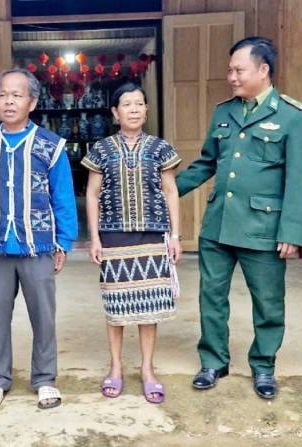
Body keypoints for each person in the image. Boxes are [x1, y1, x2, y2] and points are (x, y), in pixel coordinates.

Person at [176, 36, 302, 399]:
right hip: (219, 223)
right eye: (230, 70)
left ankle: (264, 365)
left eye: (239, 70)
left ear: (263, 70)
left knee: (268, 301)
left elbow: (299, 179)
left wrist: (292, 231)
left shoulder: (292, 116)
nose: (232, 77)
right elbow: (207, 162)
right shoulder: (224, 111)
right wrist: (167, 191)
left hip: (264, 227)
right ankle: (213, 361)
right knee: (212, 296)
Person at [0, 67, 77, 410]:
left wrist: (64, 241)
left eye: (17, 95)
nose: (9, 101)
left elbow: (63, 197)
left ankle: (44, 378)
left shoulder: (50, 146)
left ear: (32, 101)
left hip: (37, 245)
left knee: (43, 314)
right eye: (2, 94)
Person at [81, 82, 182, 404]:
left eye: (139, 103)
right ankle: (116, 367)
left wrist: (175, 235)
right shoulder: (101, 149)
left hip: (152, 236)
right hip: (114, 236)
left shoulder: (160, 148)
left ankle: (148, 369)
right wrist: (94, 237)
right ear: (115, 112)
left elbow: (170, 192)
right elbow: (93, 195)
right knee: (117, 307)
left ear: (147, 109)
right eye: (127, 104)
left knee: (149, 306)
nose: (134, 109)